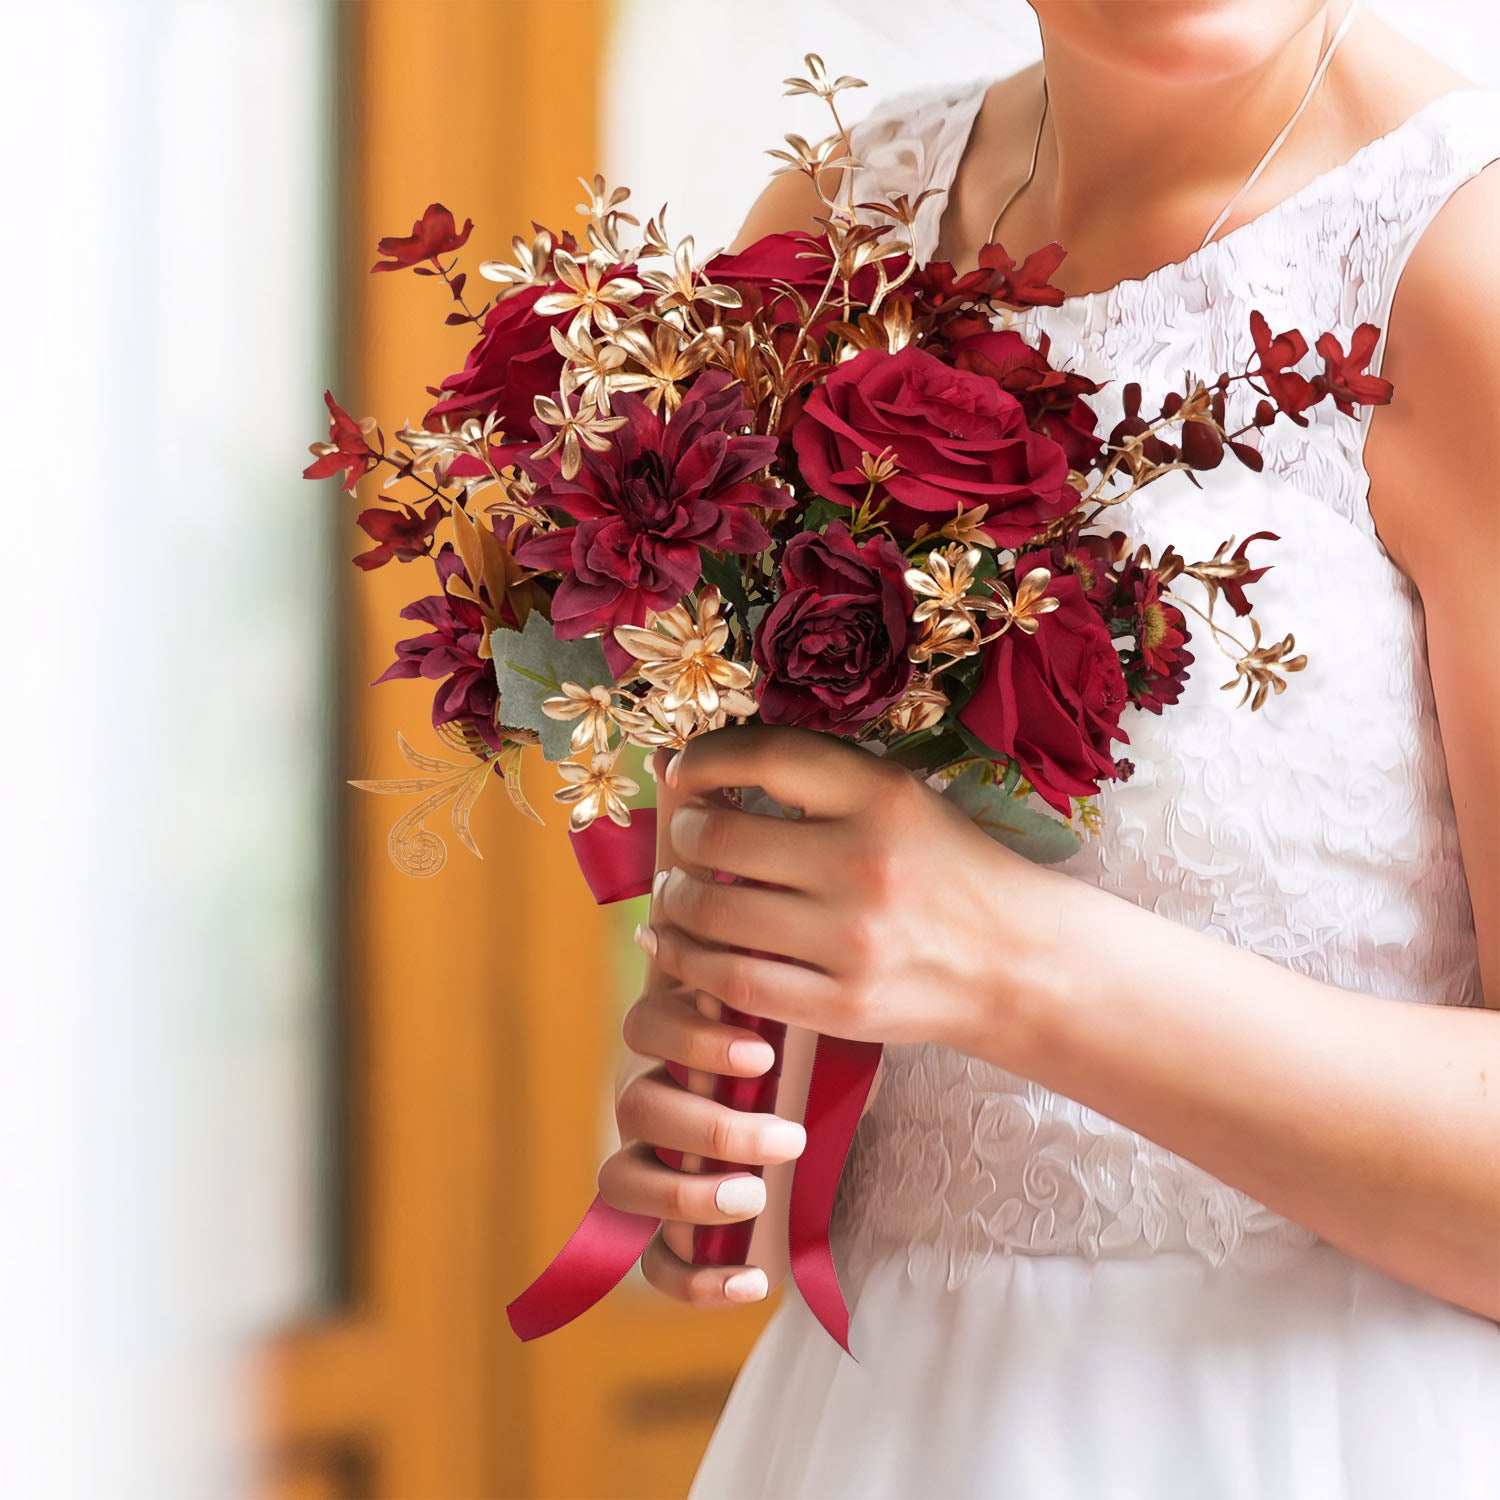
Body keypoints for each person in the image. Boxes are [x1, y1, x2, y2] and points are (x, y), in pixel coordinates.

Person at [600, 1, 1500, 1493]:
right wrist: (751, 1112)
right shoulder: (835, 233)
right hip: (881, 1424)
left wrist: (1015, 962)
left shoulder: (1464, 266)